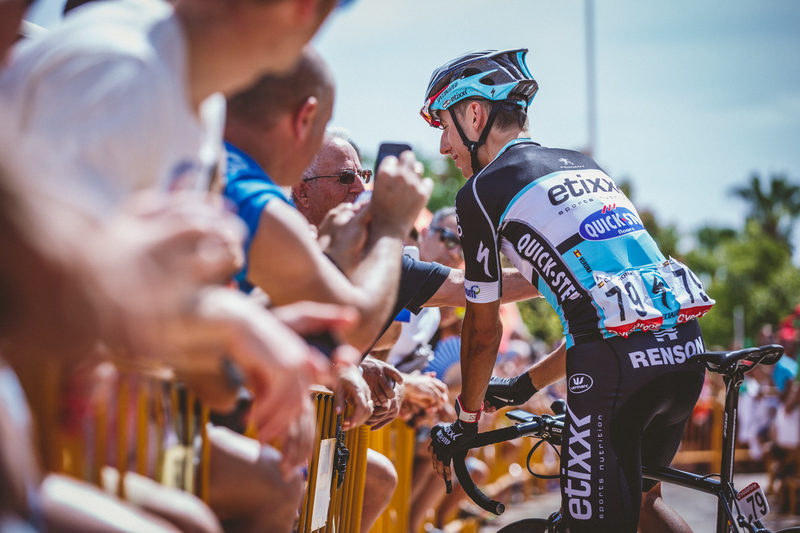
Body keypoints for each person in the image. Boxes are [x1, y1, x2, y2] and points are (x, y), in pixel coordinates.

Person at [422, 49, 716, 533]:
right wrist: (525, 385)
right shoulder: (586, 166)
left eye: (443, 125)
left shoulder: (481, 192)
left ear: (474, 114)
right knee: (645, 505)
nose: (442, 146)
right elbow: (608, 314)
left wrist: (466, 420)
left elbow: (482, 331)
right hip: (684, 352)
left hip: (617, 371)